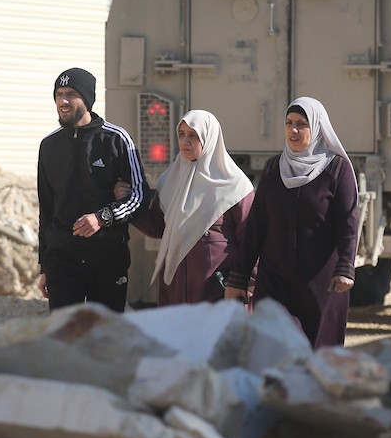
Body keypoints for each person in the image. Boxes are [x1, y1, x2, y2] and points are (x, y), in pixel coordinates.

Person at [225, 96, 359, 347]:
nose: (293, 130)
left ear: (316, 128)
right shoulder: (274, 168)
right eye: (289, 123)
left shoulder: (336, 170)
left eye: (301, 124)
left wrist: (345, 267)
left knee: (318, 352)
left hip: (321, 281)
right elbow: (256, 226)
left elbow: (348, 222)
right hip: (275, 279)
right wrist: (239, 277)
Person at [37, 67, 145, 312]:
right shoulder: (49, 146)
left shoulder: (117, 139)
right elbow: (46, 210)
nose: (63, 101)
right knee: (65, 332)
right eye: (59, 94)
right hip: (63, 261)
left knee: (104, 333)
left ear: (87, 98)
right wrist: (45, 266)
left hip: (107, 259)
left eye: (71, 94)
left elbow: (139, 197)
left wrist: (102, 217)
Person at [121, 109, 254, 306]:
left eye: (193, 135)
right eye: (182, 134)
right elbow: (157, 227)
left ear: (209, 138)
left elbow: (252, 240)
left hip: (218, 296)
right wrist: (127, 202)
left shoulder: (235, 185)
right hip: (177, 292)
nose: (185, 141)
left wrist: (246, 284)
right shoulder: (170, 180)